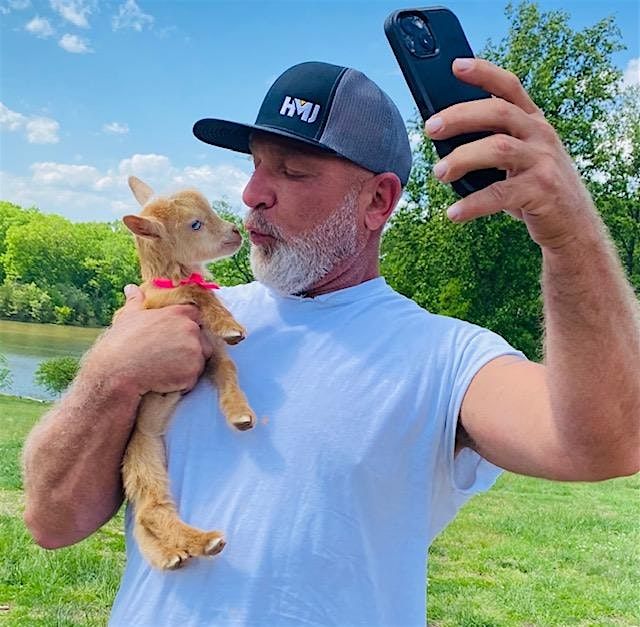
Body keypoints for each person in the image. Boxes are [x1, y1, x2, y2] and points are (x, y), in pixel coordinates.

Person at [22, 59, 639, 626]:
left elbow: (609, 442)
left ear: (378, 201)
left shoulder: (446, 357)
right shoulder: (178, 322)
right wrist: (110, 375)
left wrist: (568, 232)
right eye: (256, 165)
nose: (252, 194)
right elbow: (51, 521)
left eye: (292, 171)